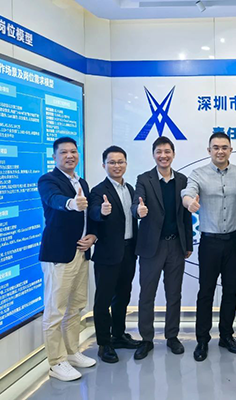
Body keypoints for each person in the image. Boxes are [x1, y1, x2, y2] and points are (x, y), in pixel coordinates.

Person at [181, 132, 236, 362]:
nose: (220, 151)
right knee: (206, 292)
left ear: (230, 150)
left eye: (224, 147)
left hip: (234, 241)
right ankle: (202, 339)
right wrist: (190, 203)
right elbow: (187, 193)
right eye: (215, 147)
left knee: (230, 291)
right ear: (209, 150)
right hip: (209, 242)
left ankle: (226, 336)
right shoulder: (198, 174)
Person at [38, 136, 97, 381]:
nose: (70, 156)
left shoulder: (81, 181)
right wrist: (72, 203)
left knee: (76, 306)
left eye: (73, 151)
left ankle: (72, 352)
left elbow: (88, 216)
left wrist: (93, 236)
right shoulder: (48, 180)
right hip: (59, 254)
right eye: (64, 152)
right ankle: (56, 362)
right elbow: (54, 200)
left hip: (81, 253)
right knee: (55, 310)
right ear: (54, 157)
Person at [131, 136, 193, 360]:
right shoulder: (144, 179)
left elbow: (186, 215)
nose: (163, 156)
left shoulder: (183, 180)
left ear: (173, 154)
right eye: (159, 152)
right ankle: (146, 339)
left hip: (176, 245)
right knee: (147, 294)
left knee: (174, 294)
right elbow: (136, 202)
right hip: (151, 247)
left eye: (167, 151)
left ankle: (172, 336)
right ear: (153, 155)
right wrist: (138, 211)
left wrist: (187, 243)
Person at [88, 146, 141, 364]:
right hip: (107, 255)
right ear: (104, 165)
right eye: (112, 162)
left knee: (123, 296)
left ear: (126, 164)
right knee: (103, 300)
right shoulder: (98, 191)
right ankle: (104, 343)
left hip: (129, 251)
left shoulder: (130, 189)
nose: (116, 166)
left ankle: (118, 335)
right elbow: (93, 212)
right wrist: (101, 212)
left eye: (120, 162)